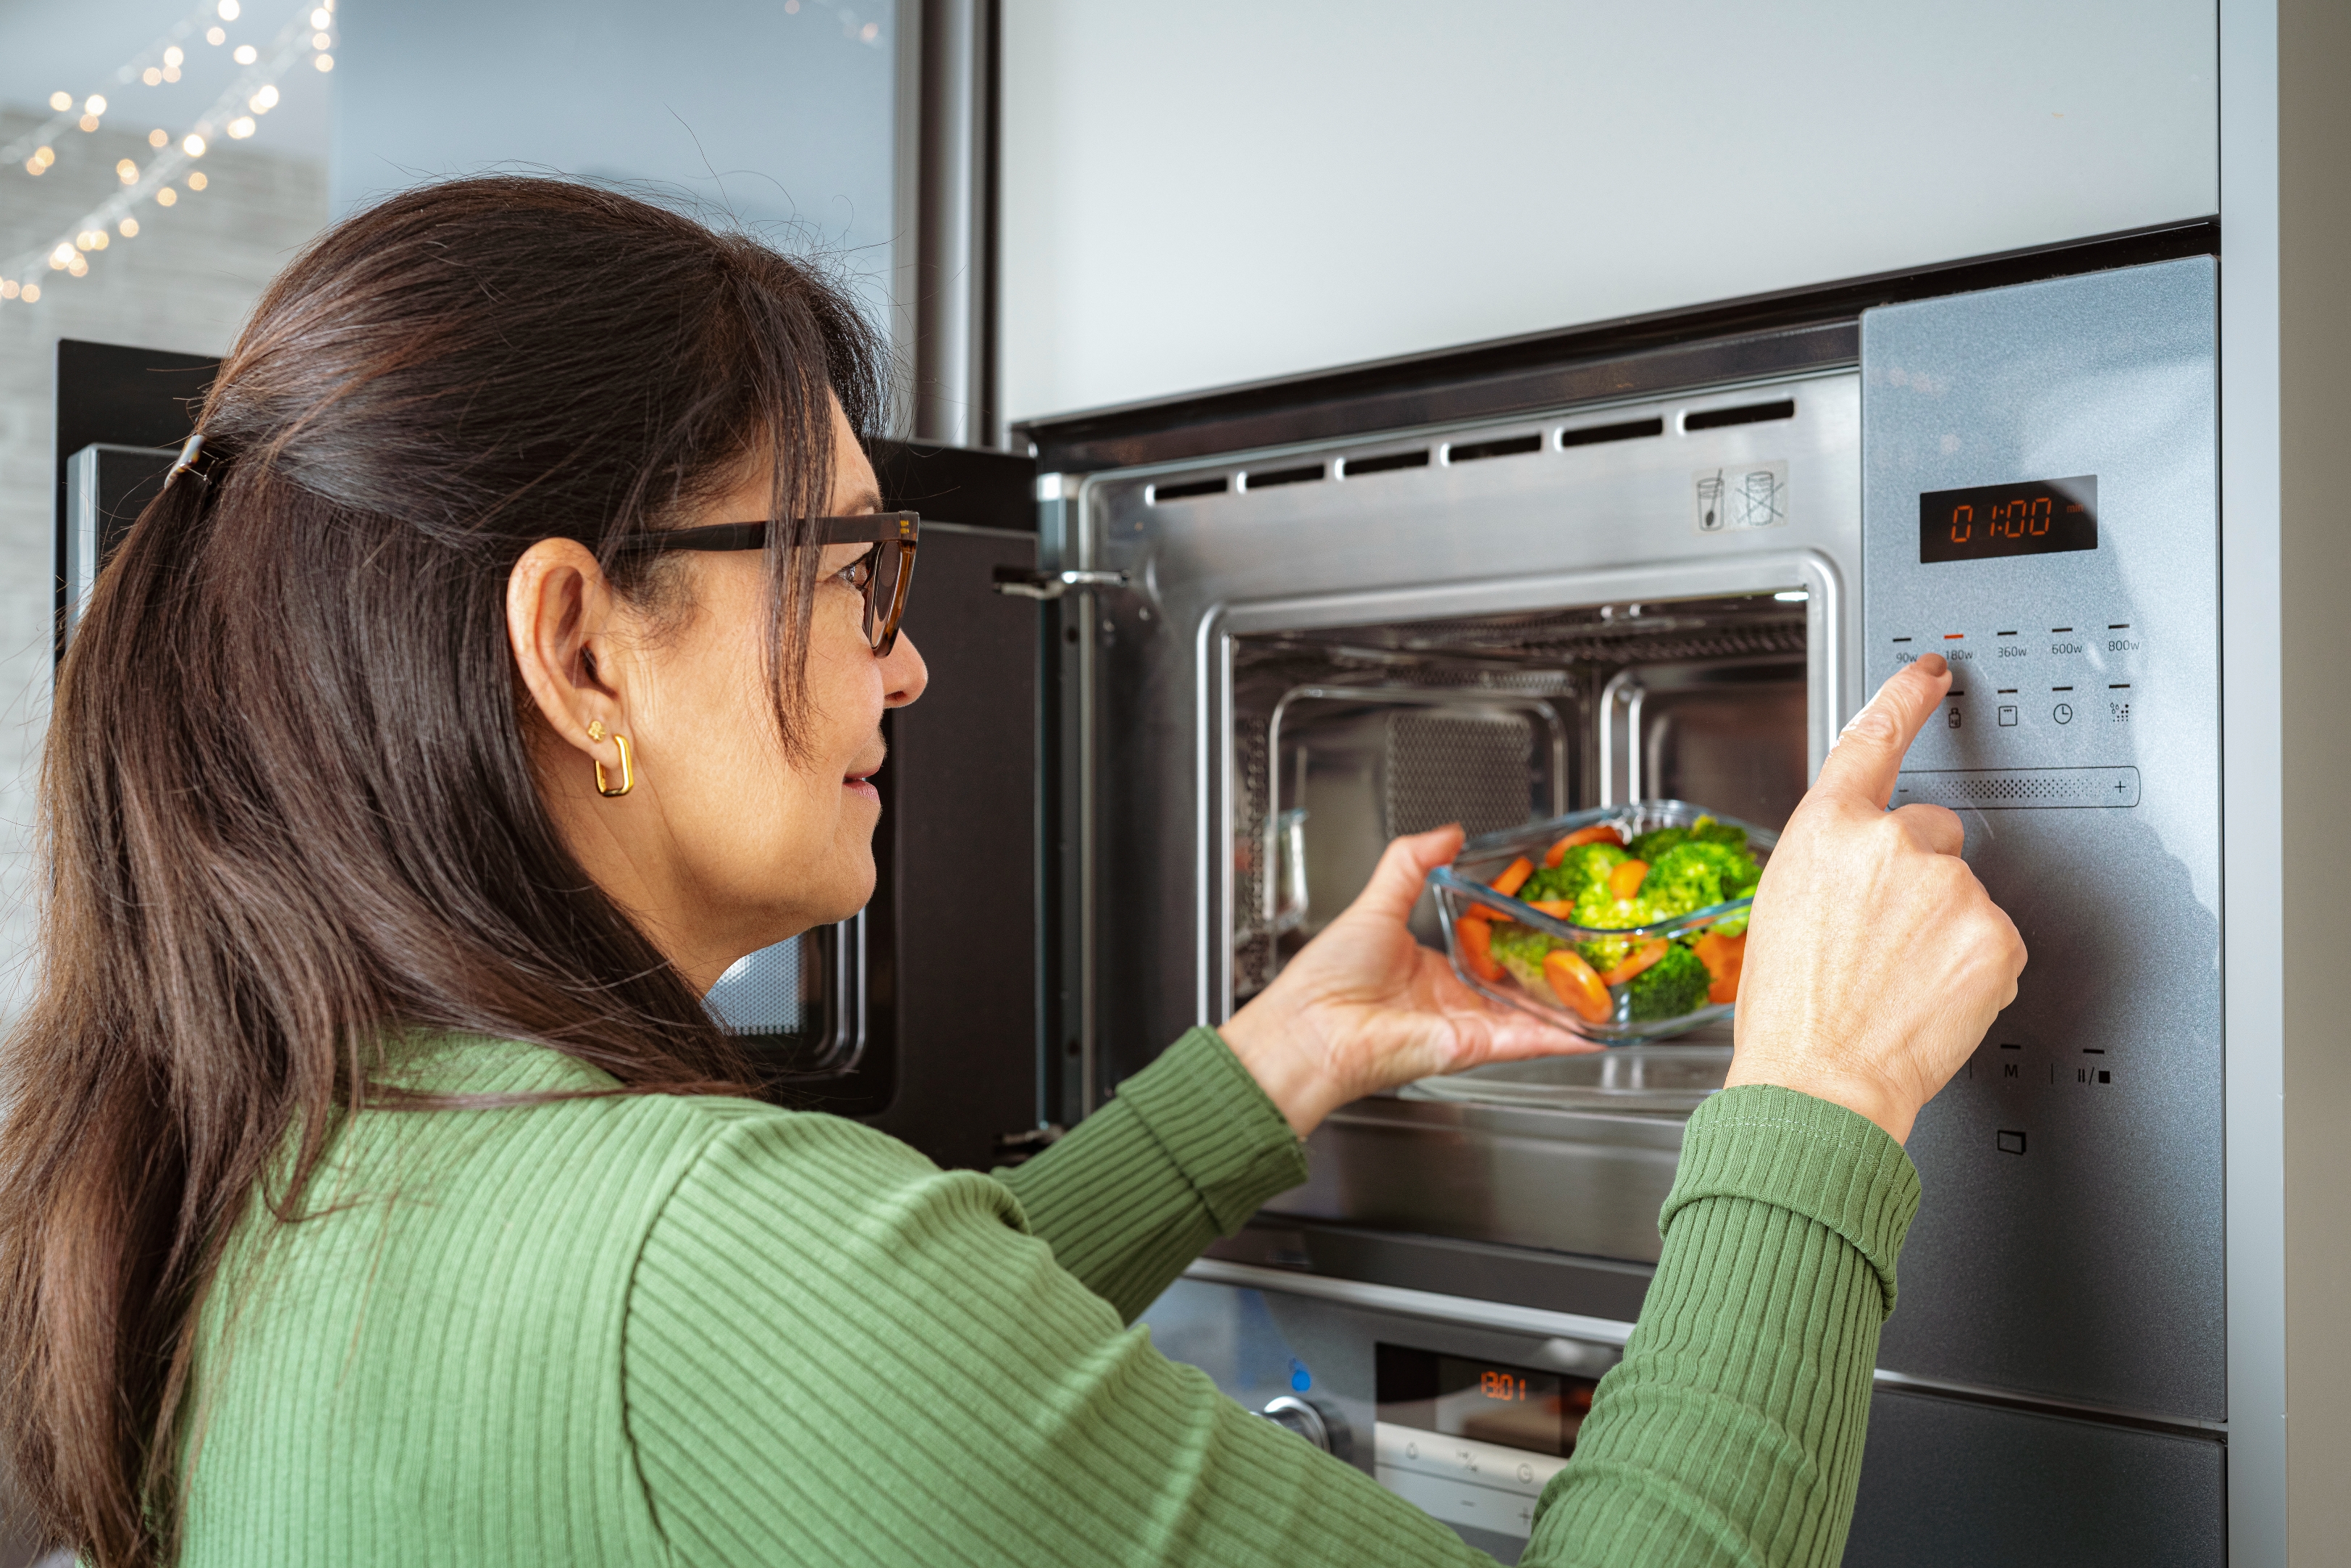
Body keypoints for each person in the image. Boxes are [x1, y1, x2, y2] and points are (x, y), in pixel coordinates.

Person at [0, 177, 2023, 1568]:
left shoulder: (282, 1156)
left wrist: (1269, 1071)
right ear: (580, 646)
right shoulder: (715, 1255)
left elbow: (803, 1420)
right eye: (854, 569)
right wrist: (1814, 1098)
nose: (913, 654)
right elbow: (778, 1342)